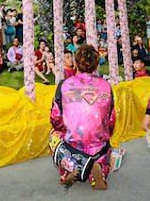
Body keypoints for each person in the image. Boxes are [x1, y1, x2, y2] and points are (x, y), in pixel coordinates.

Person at [49, 44, 115, 190]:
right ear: (96, 64)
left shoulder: (64, 85)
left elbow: (55, 117)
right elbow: (111, 120)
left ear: (76, 62)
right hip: (98, 145)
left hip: (74, 144)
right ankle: (98, 169)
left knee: (54, 134)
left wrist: (65, 129)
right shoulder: (106, 86)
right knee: (102, 142)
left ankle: (69, 168)